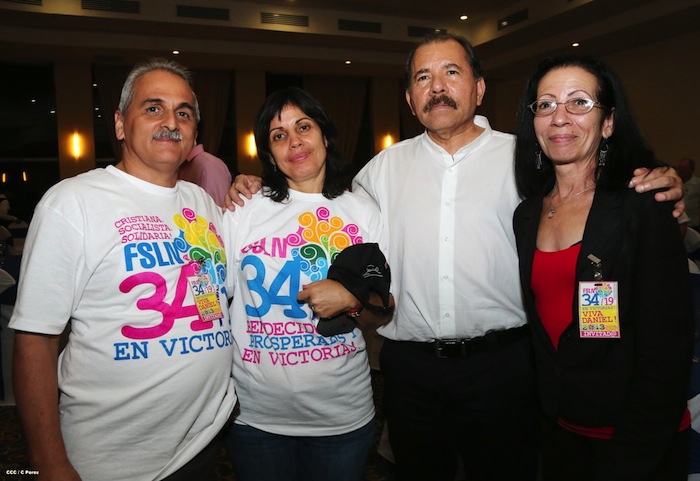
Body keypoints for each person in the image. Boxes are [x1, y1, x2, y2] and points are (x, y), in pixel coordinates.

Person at [226, 33, 684, 481]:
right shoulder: (381, 170)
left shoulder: (527, 158)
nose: (438, 87)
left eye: (451, 72)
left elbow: (593, 189)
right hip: (412, 372)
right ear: (410, 99)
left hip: (504, 367)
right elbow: (322, 206)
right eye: (423, 78)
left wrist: (660, 184)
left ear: (479, 88)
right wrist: (252, 183)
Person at [10, 58, 236, 481]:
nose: (171, 122)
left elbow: (213, 296)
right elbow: (35, 340)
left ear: (194, 133)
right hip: (111, 459)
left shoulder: (202, 203)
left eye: (184, 113)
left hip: (203, 442)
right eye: (153, 108)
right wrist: (50, 463)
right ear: (119, 124)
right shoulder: (72, 203)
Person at [513, 54, 693, 481]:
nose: (559, 117)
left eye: (579, 102)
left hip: (636, 441)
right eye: (545, 104)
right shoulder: (527, 214)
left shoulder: (643, 206)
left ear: (608, 122)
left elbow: (667, 351)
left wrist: (633, 456)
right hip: (560, 430)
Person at [222, 86, 394, 481]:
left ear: (325, 136)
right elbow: (218, 298)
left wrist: (352, 300)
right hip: (256, 417)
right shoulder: (244, 209)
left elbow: (384, 310)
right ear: (269, 154)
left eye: (304, 127)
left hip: (341, 416)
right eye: (278, 135)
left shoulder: (362, 211)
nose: (294, 141)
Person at [678, 157, 700, 229]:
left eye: (684, 168)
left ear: (691, 169)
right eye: (680, 168)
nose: (681, 170)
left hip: (693, 224)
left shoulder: (697, 184)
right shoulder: (676, 182)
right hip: (678, 223)